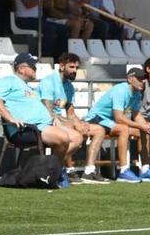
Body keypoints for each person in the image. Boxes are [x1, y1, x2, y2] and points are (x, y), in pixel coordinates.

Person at [0, 53, 84, 185]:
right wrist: (10, 118)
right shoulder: (8, 80)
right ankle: (52, 173)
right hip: (26, 129)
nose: (36, 68)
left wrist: (53, 119)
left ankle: (51, 171)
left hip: (43, 126)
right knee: (63, 137)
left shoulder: (28, 87)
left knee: (77, 138)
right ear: (22, 68)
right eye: (33, 66)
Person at [38, 53, 110, 184]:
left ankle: (89, 171)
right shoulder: (49, 81)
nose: (74, 71)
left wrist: (80, 124)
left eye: (76, 68)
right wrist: (73, 124)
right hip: (48, 123)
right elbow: (47, 112)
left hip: (62, 121)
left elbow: (70, 112)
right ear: (61, 66)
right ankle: (63, 169)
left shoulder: (69, 87)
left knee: (98, 130)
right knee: (73, 129)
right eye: (71, 67)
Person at [82, 68, 150, 182]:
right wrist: (140, 125)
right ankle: (123, 170)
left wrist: (146, 125)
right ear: (130, 79)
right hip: (97, 119)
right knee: (124, 129)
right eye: (140, 79)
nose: (143, 81)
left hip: (110, 121)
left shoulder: (137, 93)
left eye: (143, 79)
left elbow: (136, 114)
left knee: (144, 131)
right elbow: (119, 118)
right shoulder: (120, 90)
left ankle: (145, 169)